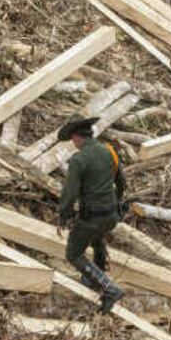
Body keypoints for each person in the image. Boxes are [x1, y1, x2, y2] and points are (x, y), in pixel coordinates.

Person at [56, 117, 126, 313]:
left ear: (77, 137)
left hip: (92, 216)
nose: (73, 144)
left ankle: (109, 288)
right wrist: (116, 204)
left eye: (72, 139)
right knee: (96, 238)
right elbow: (121, 182)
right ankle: (96, 274)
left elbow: (69, 193)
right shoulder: (108, 151)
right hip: (111, 214)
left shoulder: (79, 160)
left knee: (74, 253)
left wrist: (63, 217)